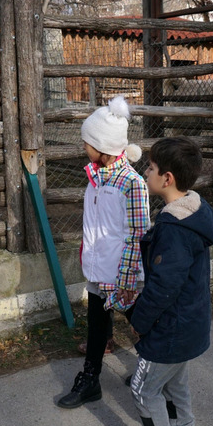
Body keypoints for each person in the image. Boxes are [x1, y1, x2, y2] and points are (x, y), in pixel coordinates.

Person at [120, 137, 213, 426]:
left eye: (149, 168)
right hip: (188, 324)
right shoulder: (193, 213)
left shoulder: (173, 230)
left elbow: (164, 287)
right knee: (176, 384)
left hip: (169, 327)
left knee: (142, 389)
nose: (144, 171)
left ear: (167, 179)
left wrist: (140, 322)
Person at [55, 95, 150, 409]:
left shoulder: (132, 184)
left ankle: (153, 373)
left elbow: (137, 235)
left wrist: (124, 279)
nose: (83, 146)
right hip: (99, 272)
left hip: (122, 275)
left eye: (87, 142)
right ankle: (91, 379)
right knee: (96, 326)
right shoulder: (96, 178)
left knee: (141, 324)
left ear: (104, 146)